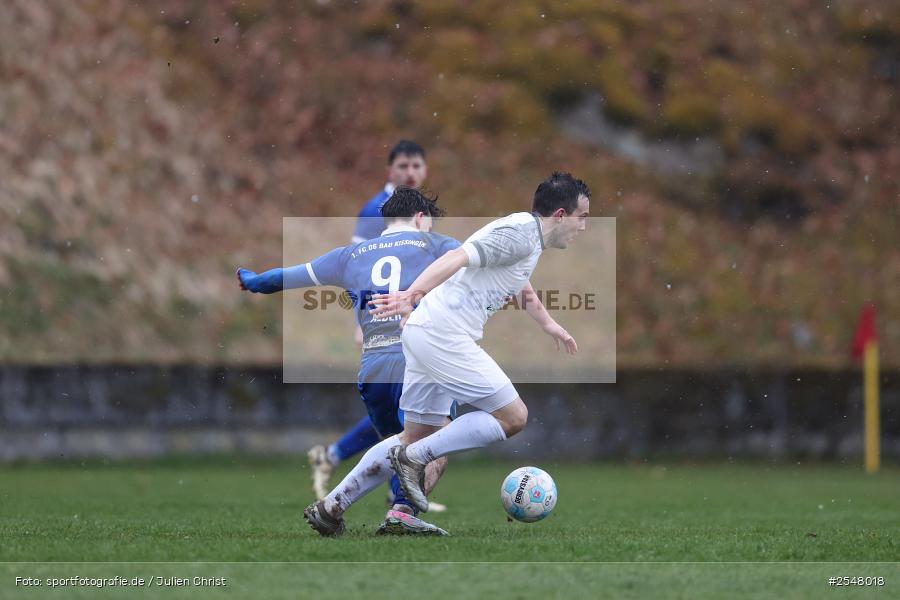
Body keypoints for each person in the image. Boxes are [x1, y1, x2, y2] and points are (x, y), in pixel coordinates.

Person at [302, 172, 589, 535]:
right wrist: (411, 293)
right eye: (583, 217)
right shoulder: (520, 234)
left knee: (413, 436)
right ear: (561, 215)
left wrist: (548, 324)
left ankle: (331, 508)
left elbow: (517, 281)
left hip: (426, 331)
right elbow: (457, 256)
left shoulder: (525, 239)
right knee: (512, 417)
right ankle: (412, 460)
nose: (584, 226)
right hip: (443, 332)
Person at [237, 188, 458, 535]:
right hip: (416, 361)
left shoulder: (351, 255)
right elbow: (479, 262)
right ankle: (401, 513)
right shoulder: (437, 246)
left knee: (395, 447)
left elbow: (288, 276)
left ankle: (336, 508)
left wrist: (254, 282)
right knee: (438, 440)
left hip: (373, 370)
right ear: (419, 218)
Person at [306, 140, 434, 504]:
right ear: (390, 171)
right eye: (404, 166)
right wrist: (360, 323)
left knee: (406, 408)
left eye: (416, 166)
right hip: (385, 326)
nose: (411, 172)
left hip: (415, 323)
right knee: (412, 409)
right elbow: (356, 270)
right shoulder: (374, 210)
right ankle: (403, 494)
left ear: (424, 171)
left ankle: (339, 459)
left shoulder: (421, 210)